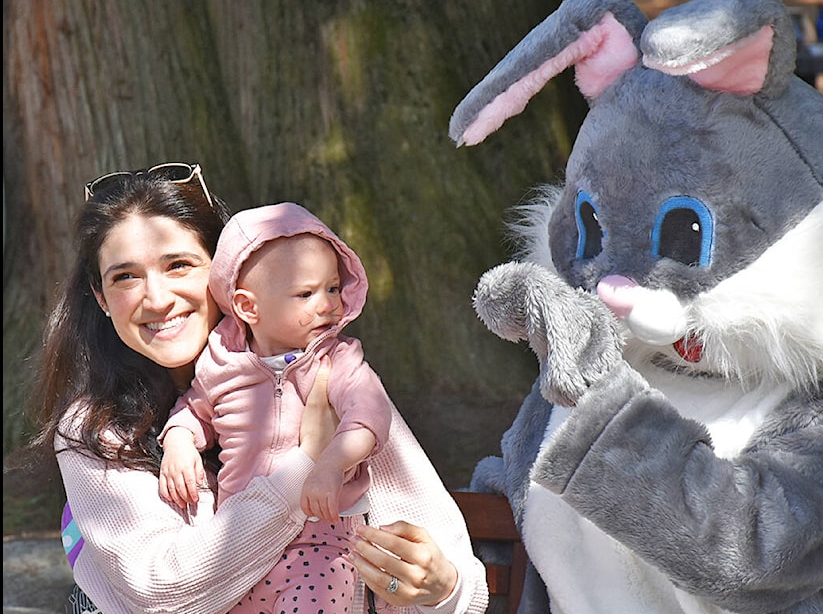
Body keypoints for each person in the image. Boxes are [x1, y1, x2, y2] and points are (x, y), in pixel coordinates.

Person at [29, 162, 488, 614]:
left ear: (227, 275)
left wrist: (441, 590)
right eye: (125, 276)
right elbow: (164, 595)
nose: (158, 298)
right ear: (101, 297)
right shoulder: (97, 430)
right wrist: (308, 463)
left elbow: (454, 575)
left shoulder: (325, 371)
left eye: (179, 265)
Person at [159, 202, 393, 613]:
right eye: (306, 294)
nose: (327, 305)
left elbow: (368, 415)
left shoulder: (335, 360)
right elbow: (196, 408)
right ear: (249, 308)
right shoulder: (223, 361)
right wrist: (178, 441)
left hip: (321, 540)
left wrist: (331, 463)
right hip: (241, 544)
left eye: (334, 288)